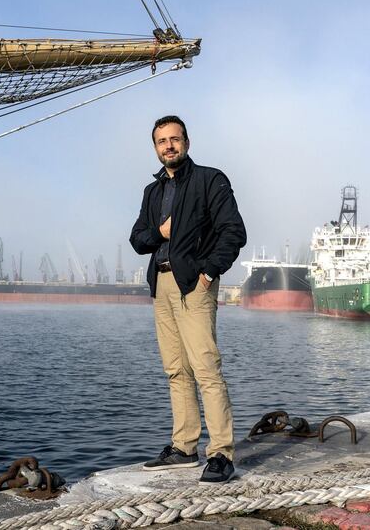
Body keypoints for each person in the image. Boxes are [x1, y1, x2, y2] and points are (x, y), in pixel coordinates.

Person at [130, 115, 247, 484]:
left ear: (187, 142)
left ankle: (222, 453)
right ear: (155, 147)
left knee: (206, 368)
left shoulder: (210, 180)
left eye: (175, 139)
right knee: (176, 370)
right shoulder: (152, 192)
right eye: (162, 140)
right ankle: (184, 447)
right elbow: (137, 239)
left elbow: (234, 231)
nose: (169, 145)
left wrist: (210, 271)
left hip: (193, 285)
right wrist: (160, 231)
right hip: (161, 284)